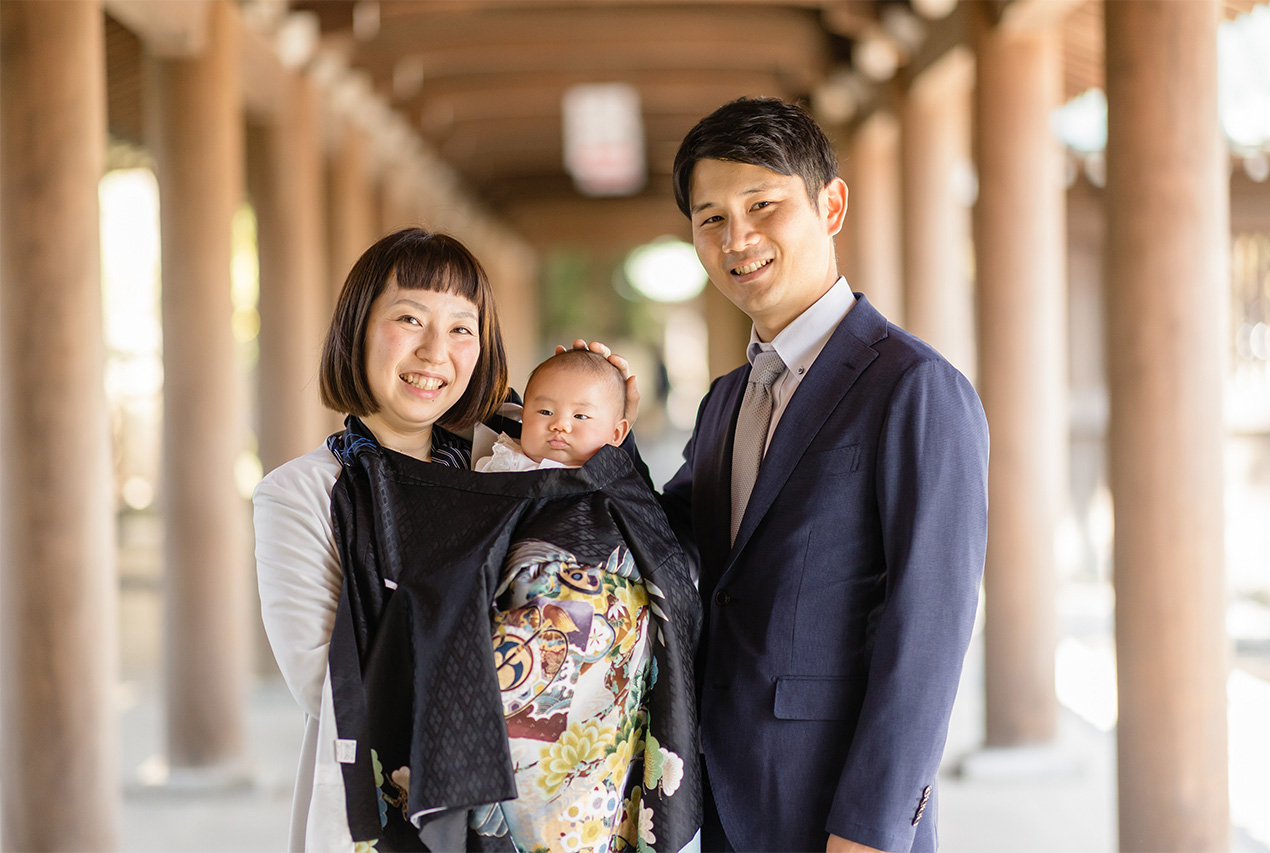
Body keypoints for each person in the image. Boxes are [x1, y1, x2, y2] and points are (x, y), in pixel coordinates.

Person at [253, 228, 699, 853]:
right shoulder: (305, 492)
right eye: (409, 319)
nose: (435, 352)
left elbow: (639, 539)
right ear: (357, 328)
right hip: (408, 814)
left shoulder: (513, 453)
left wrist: (601, 433)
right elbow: (323, 680)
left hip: (578, 812)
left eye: (462, 328)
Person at [659, 98, 990, 853]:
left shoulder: (914, 387)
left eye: (762, 206)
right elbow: (670, 542)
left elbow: (928, 628)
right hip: (725, 806)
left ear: (830, 206)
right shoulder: (725, 400)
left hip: (839, 813)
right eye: (711, 219)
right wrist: (576, 428)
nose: (737, 239)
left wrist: (871, 828)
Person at [474, 350, 630, 472]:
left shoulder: (617, 482)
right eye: (546, 412)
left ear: (616, 434)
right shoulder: (504, 464)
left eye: (580, 416)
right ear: (524, 417)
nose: (559, 425)